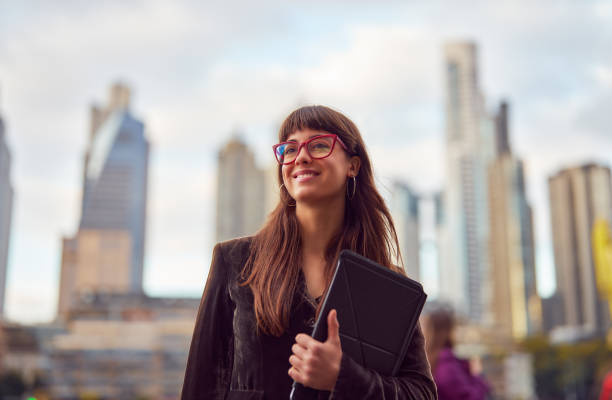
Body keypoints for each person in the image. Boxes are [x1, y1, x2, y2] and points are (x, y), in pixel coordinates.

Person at [181, 105, 437, 399]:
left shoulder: (386, 281)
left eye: (318, 145)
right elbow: (199, 387)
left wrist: (344, 377)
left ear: (353, 165)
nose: (300, 156)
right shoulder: (234, 261)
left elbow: (421, 393)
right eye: (289, 149)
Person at [422, 306, 489, 400]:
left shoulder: (430, 360)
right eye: (456, 328)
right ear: (447, 331)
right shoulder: (446, 366)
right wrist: (477, 375)